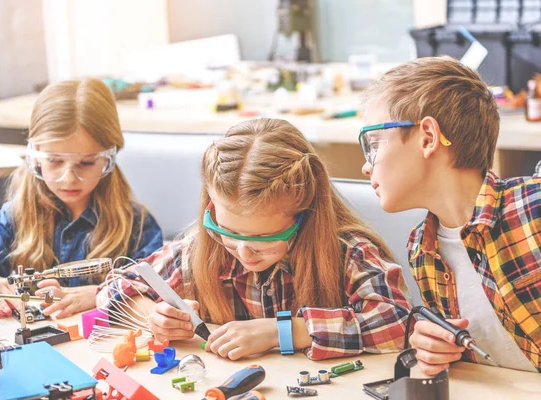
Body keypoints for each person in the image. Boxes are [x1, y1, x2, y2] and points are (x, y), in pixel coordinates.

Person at [98, 118, 411, 360]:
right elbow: (113, 289)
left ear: (306, 214)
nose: (245, 252)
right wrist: (152, 315)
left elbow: (398, 324)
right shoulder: (200, 249)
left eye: (265, 237)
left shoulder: (348, 252)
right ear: (211, 206)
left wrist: (282, 332)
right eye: (229, 232)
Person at [360, 56, 540, 374]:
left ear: (428, 138)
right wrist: (437, 349)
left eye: (373, 144)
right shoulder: (422, 248)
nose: (366, 166)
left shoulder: (531, 210)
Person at [0, 78, 163, 318]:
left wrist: (99, 294)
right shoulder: (16, 217)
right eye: (55, 161)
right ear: (36, 155)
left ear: (108, 158)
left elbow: (162, 288)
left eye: (86, 163)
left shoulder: (137, 226)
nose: (68, 178)